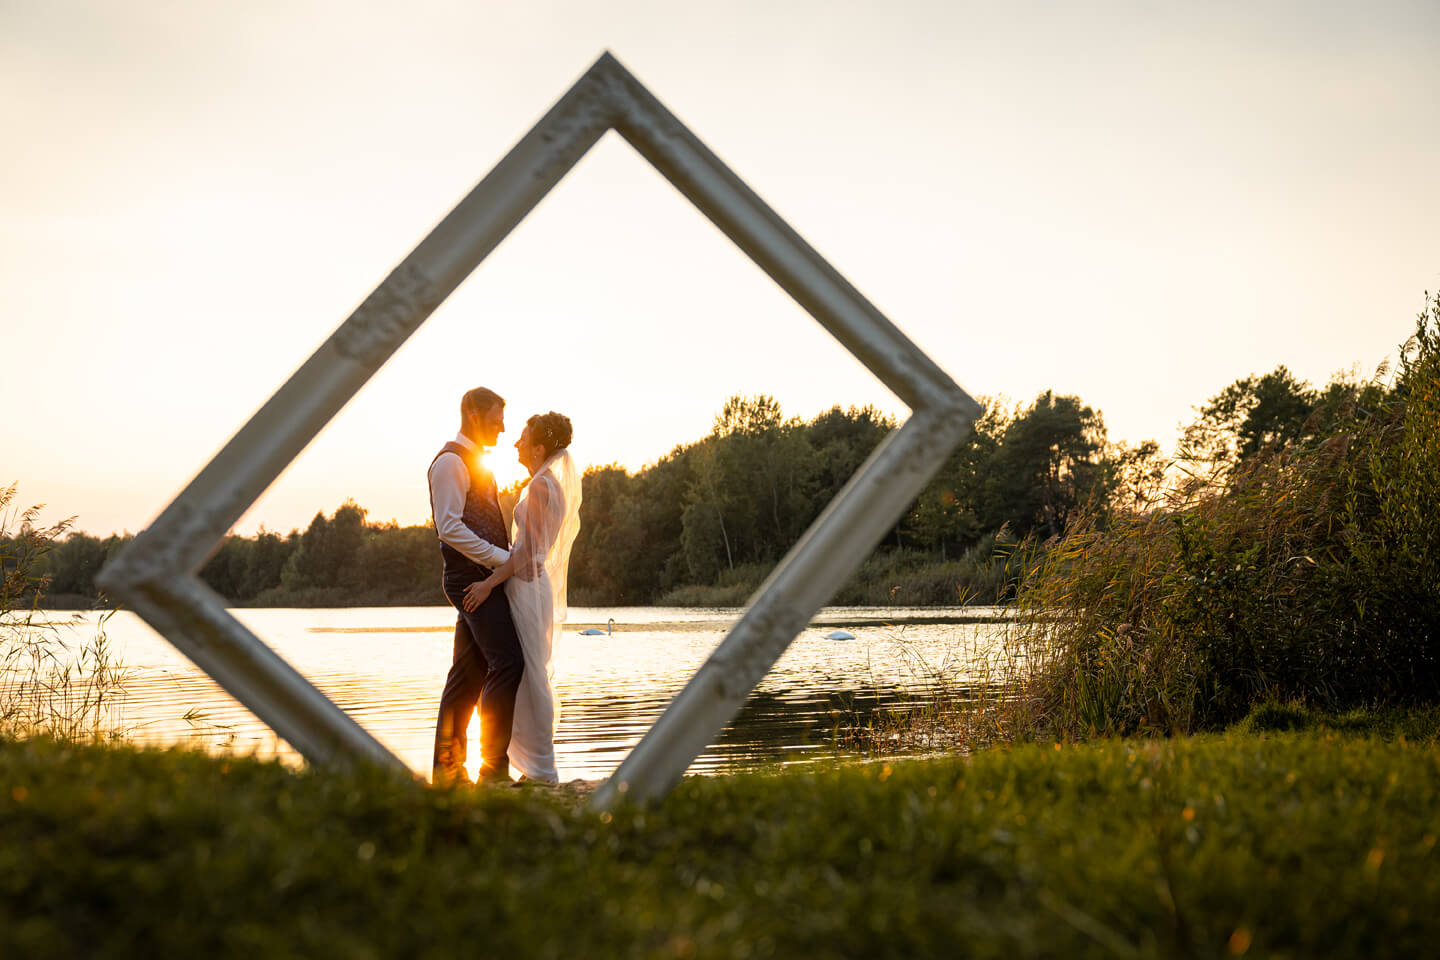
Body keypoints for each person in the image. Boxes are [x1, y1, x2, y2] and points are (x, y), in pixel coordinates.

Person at [461, 411, 581, 784]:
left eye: (523, 437)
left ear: (538, 447)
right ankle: (532, 766)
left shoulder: (543, 487)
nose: (516, 442)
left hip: (528, 588)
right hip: (528, 585)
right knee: (528, 673)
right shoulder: (543, 483)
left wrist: (488, 584)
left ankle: (543, 767)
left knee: (532, 675)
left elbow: (526, 554)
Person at [428, 387, 524, 785]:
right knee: (508, 662)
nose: (503, 426)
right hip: (469, 578)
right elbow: (449, 527)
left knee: (467, 674)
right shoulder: (450, 462)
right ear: (472, 412)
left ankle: (446, 772)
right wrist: (502, 559)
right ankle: (492, 770)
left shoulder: (476, 461)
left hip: (478, 576)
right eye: (496, 417)